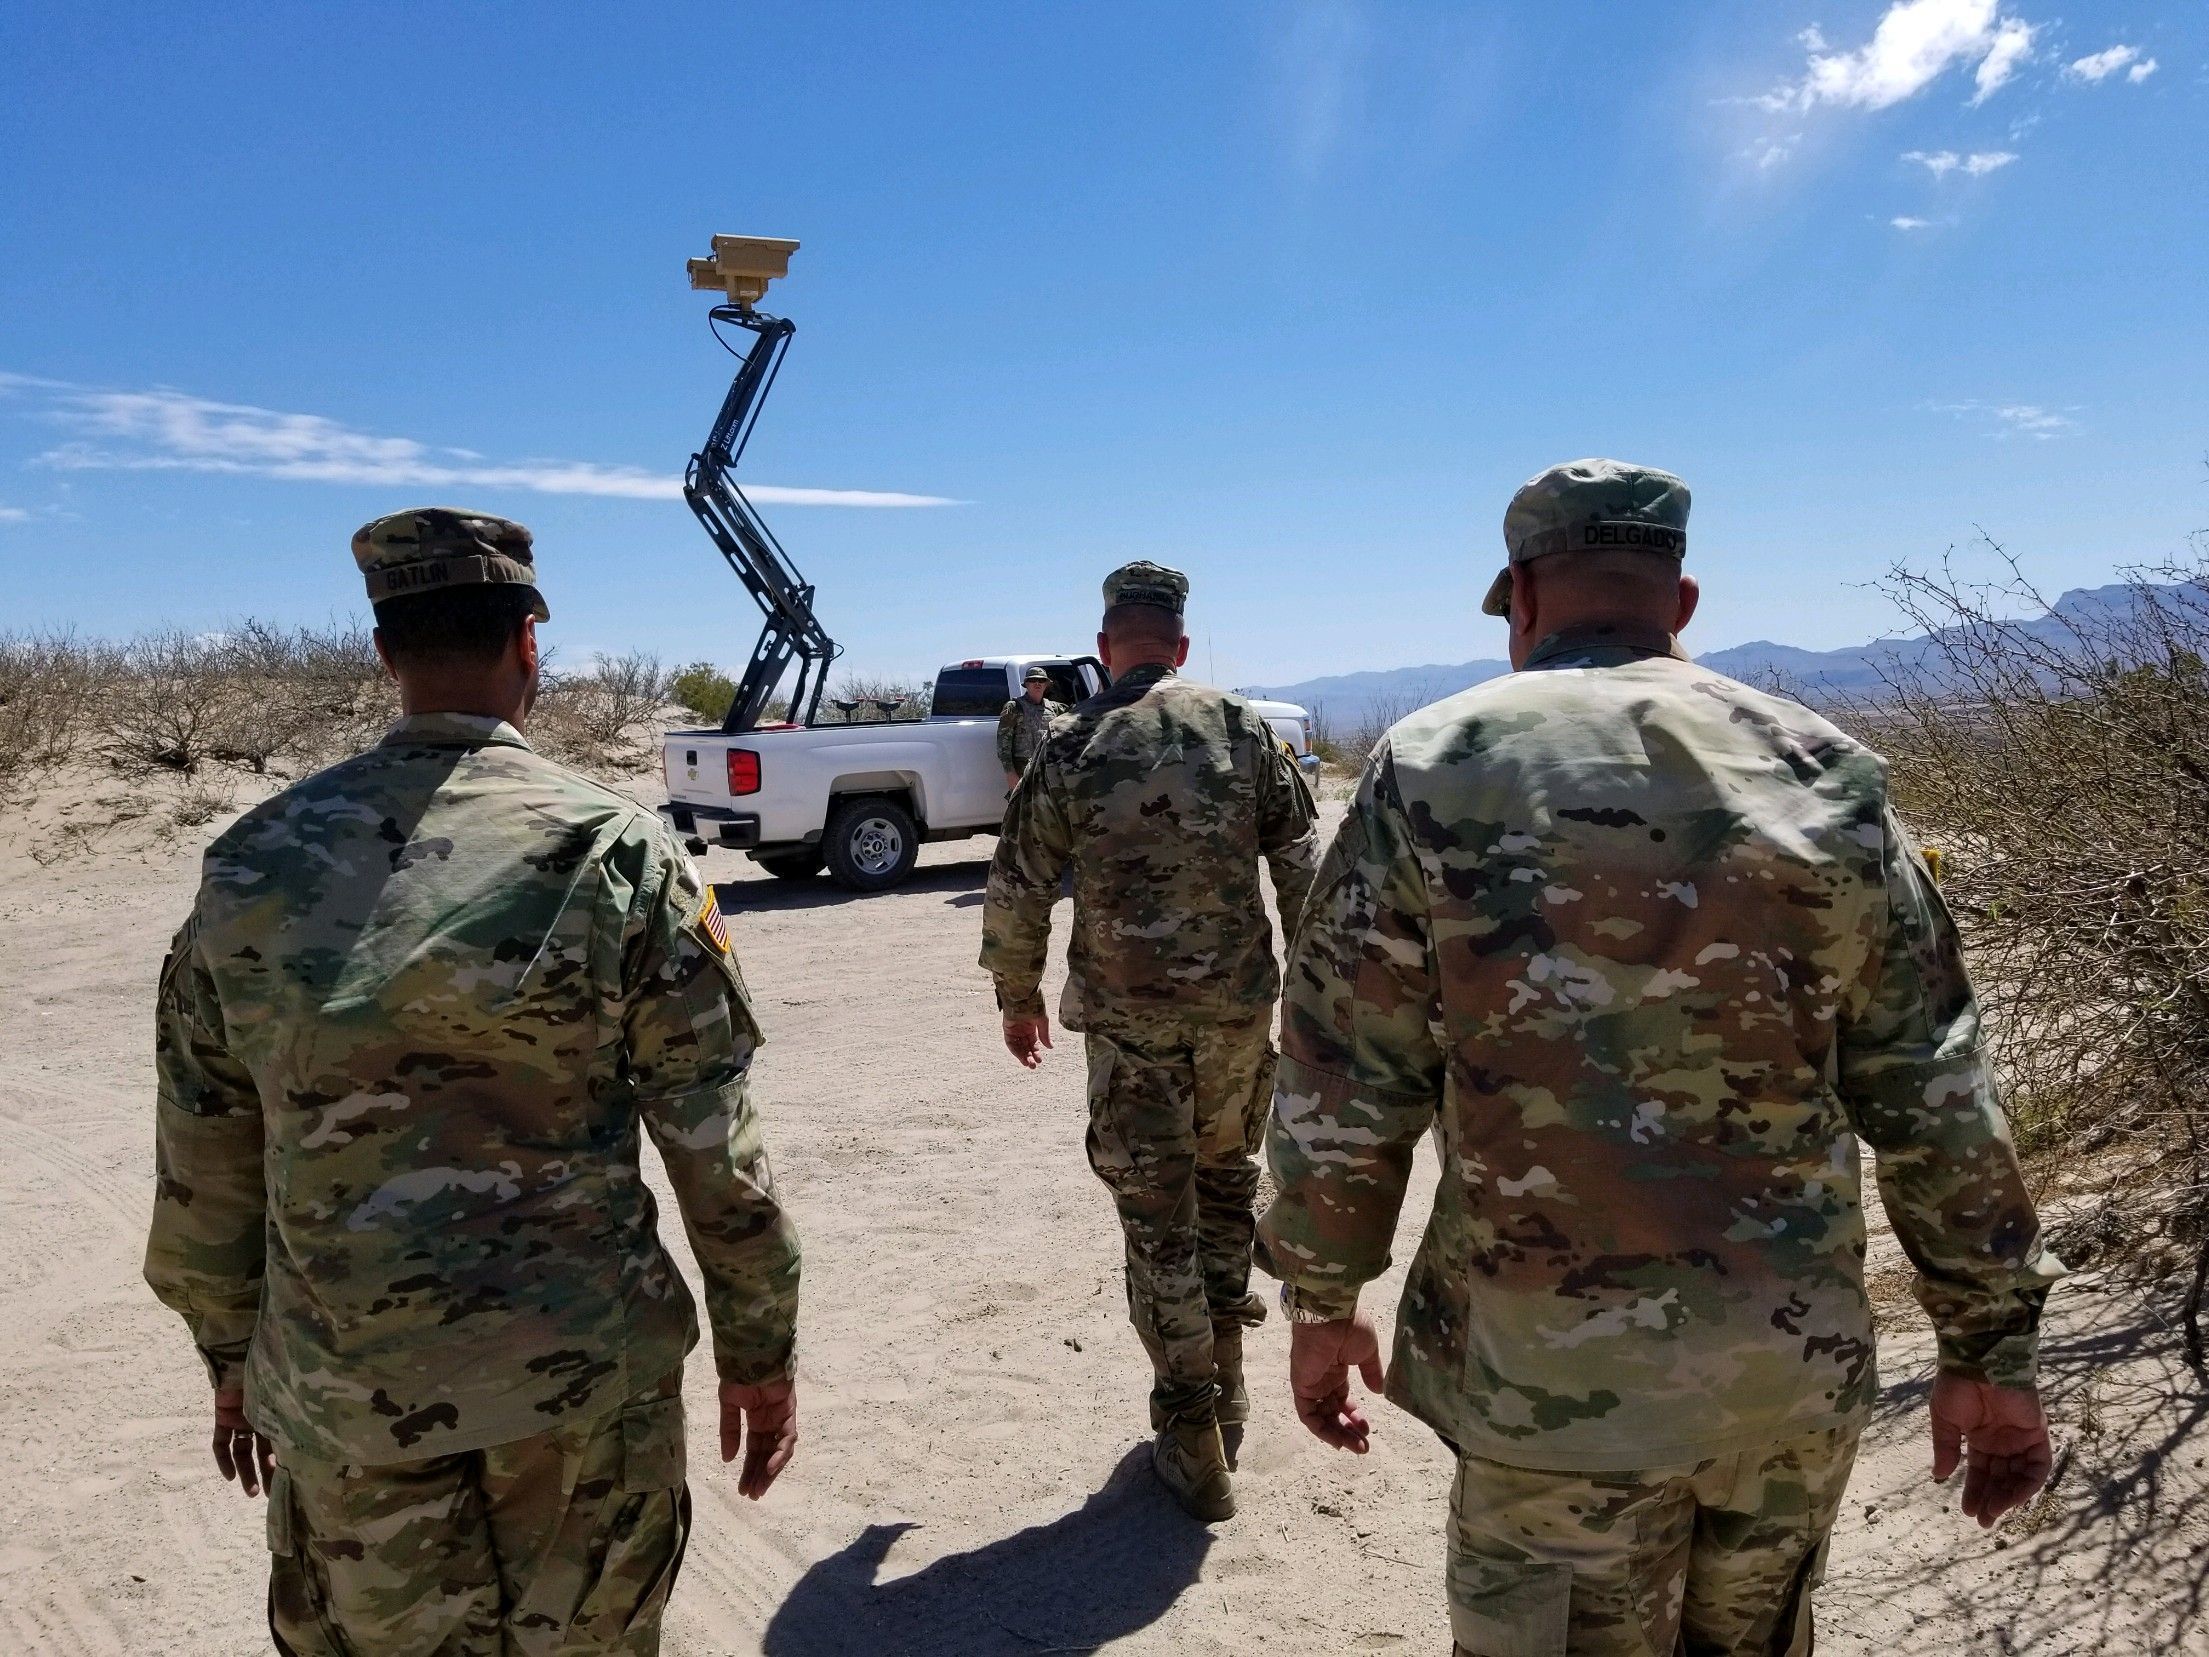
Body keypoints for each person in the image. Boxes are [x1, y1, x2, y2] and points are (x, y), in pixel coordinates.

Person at [1258, 460, 2064, 1655]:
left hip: (1550, 1397)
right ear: (1679, 602)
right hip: (1779, 1382)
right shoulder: (1827, 774)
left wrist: (1324, 1301)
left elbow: (1344, 1070)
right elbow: (1937, 1086)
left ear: (1522, 597)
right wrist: (1987, 1349)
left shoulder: (1431, 767)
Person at [144, 508, 803, 1655]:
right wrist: (759, 1348)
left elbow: (204, 1146)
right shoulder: (618, 853)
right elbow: (714, 1141)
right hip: (583, 1397)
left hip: (348, 1396)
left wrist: (230, 1355)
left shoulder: (250, 862)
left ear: (385, 652)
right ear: (528, 645)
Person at [980, 561, 1318, 1521]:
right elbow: (1302, 860)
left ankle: (1192, 1435)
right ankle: (1233, 1387)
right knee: (1223, 1188)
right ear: (1179, 647)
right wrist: (1316, 991)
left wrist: (1017, 994)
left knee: (1154, 1222)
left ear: (1103, 651)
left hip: (1129, 1032)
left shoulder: (1074, 741)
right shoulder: (1244, 729)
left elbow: (1017, 881)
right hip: (1236, 1021)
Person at [997, 664, 1068, 791]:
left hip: (1048, 770)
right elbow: (1003, 743)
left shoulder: (1055, 708)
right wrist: (1010, 773)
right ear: (1026, 684)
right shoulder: (1014, 707)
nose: (1037, 683)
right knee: (1023, 810)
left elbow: (1080, 713)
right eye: (1032, 680)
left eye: (1041, 680)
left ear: (1046, 684)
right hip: (1023, 770)